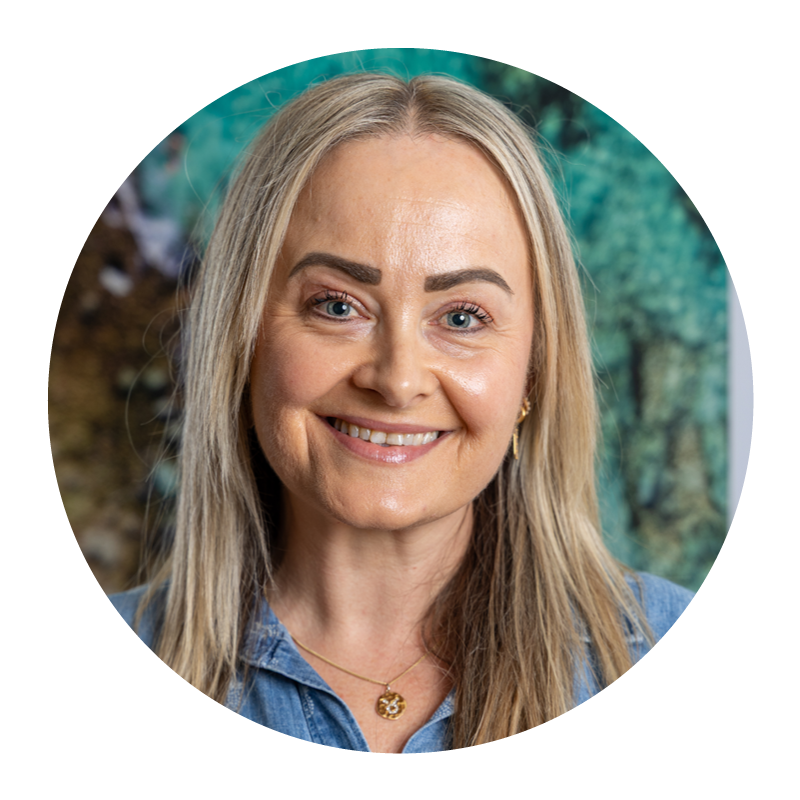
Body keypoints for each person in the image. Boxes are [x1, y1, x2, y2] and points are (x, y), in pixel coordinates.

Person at [106, 71, 702, 766]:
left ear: (534, 371)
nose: (396, 380)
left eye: (461, 317)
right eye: (337, 305)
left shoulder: (681, 661)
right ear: (243, 338)